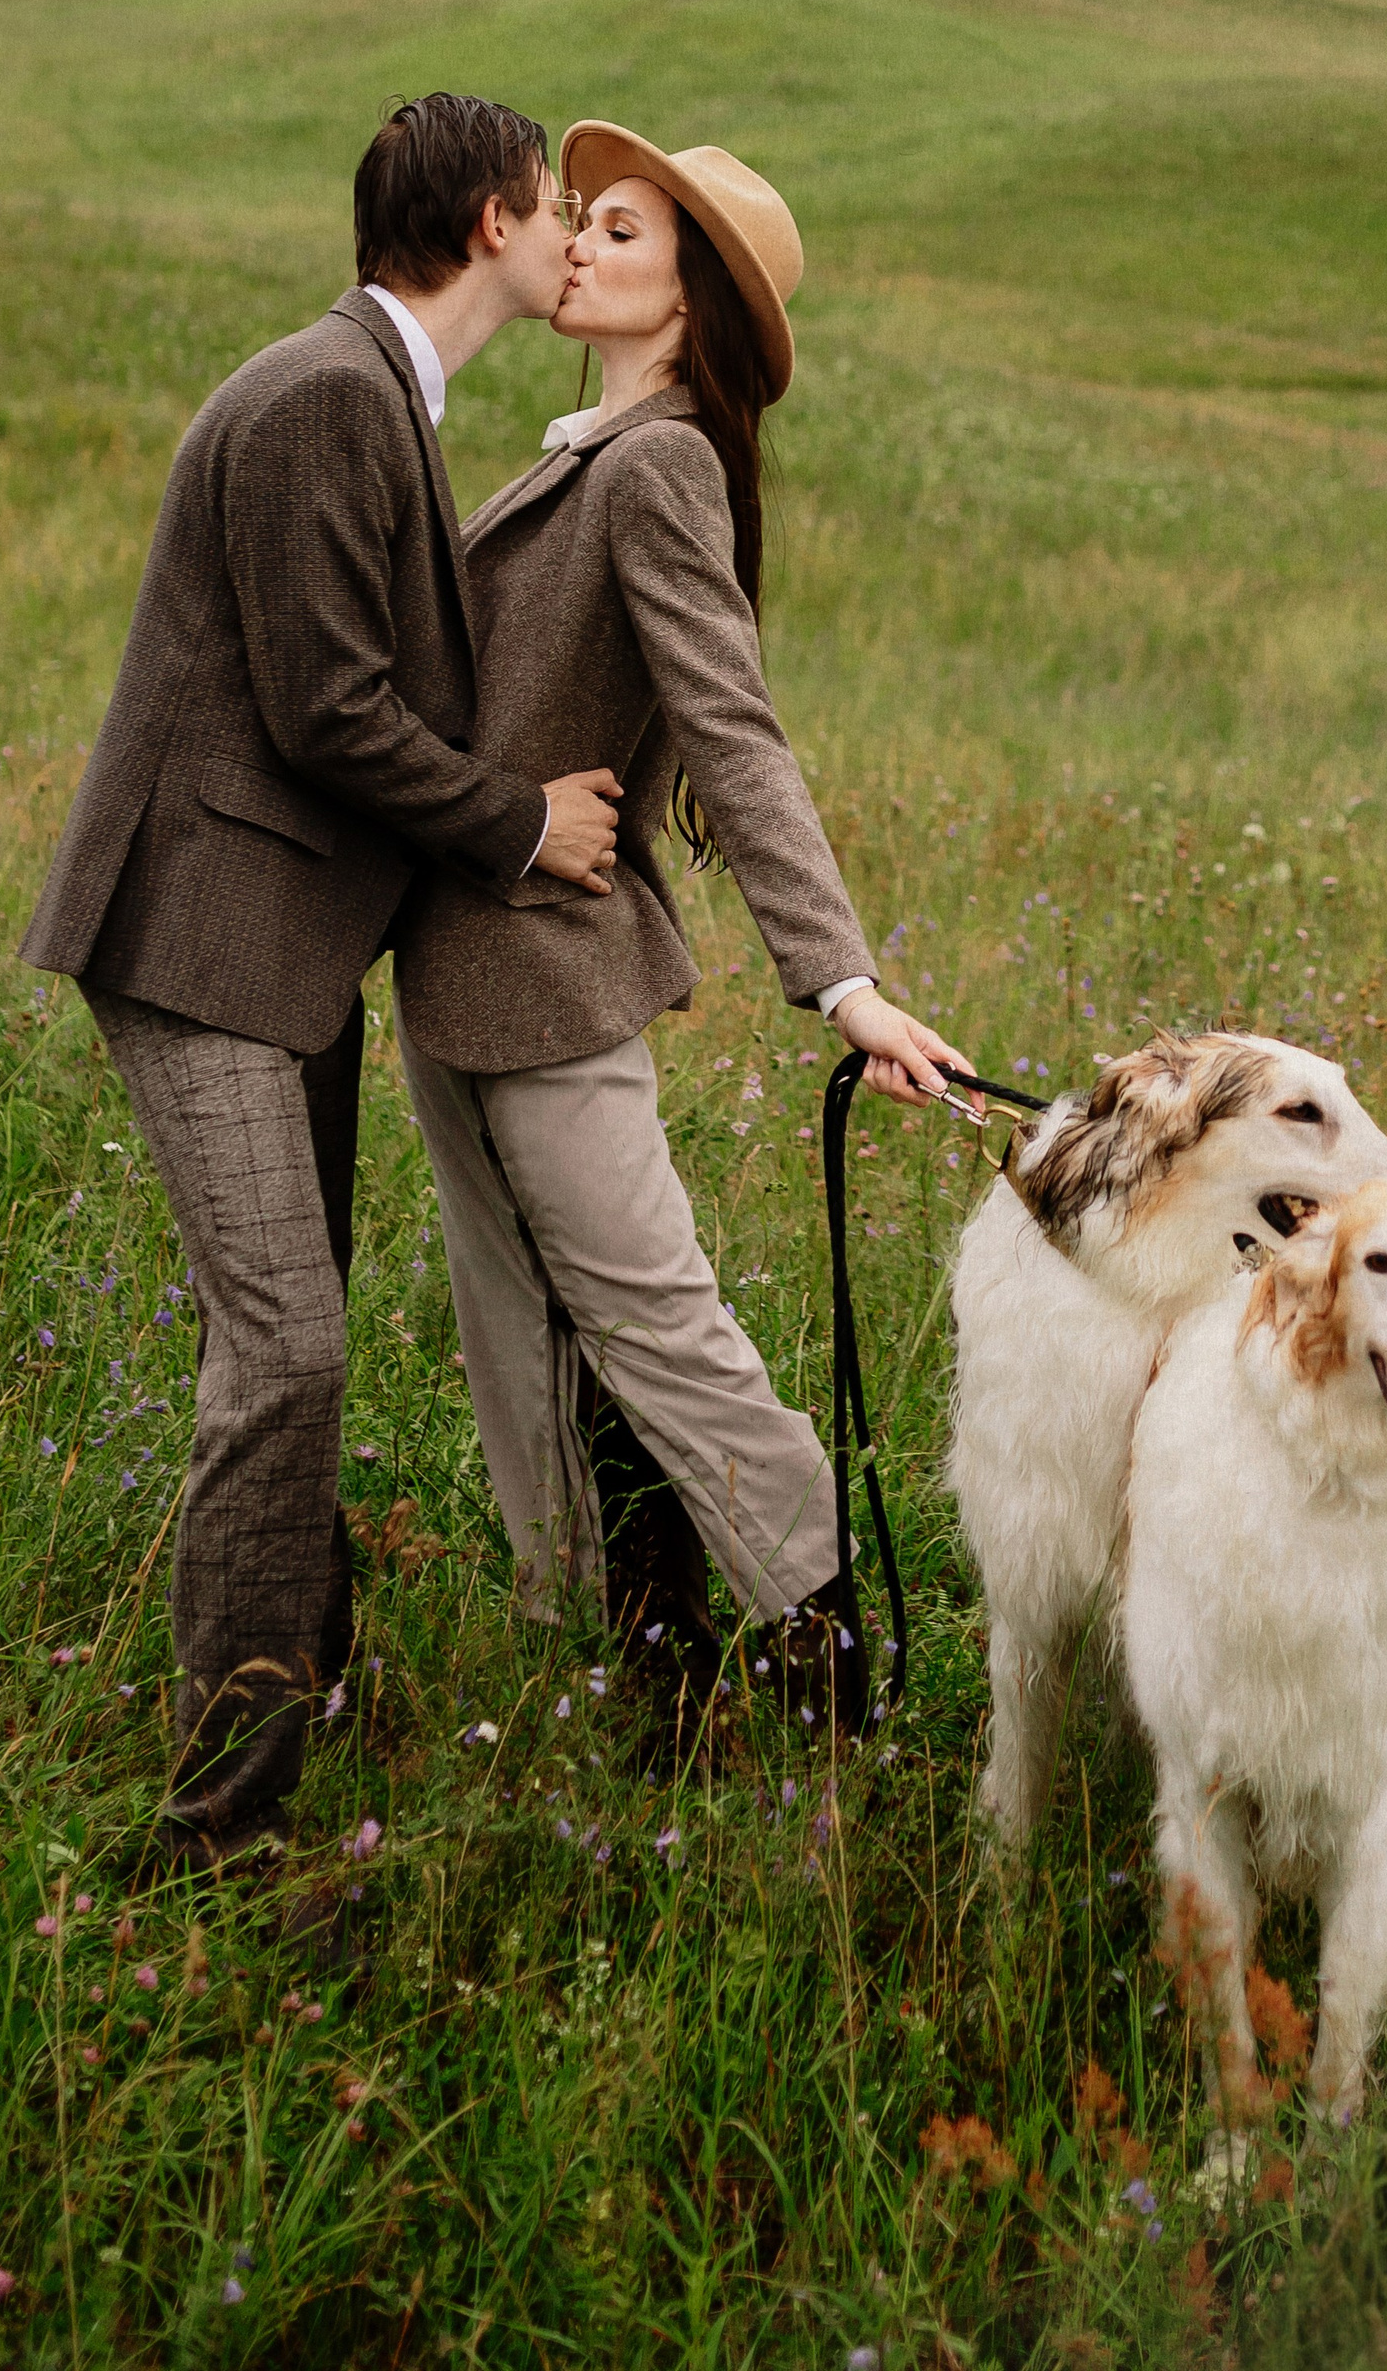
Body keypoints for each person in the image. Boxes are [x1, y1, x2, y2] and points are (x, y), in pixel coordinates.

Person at [22, 94, 628, 1869]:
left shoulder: (376, 394)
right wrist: (519, 825)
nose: (569, 236)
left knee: (279, 1329)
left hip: (280, 947)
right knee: (286, 1349)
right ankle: (221, 1825)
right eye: (556, 209)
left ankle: (307, 1678)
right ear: (494, 220)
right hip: (201, 941)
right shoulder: (319, 399)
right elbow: (325, 708)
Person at [391, 121, 967, 1732]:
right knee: (533, 1338)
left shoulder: (657, 464)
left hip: (551, 972)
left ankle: (824, 1653)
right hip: (467, 962)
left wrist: (839, 979)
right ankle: (632, 1662)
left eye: (624, 232)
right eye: (590, 223)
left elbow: (735, 730)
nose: (580, 243)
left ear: (690, 306)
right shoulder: (584, 446)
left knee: (651, 1320)